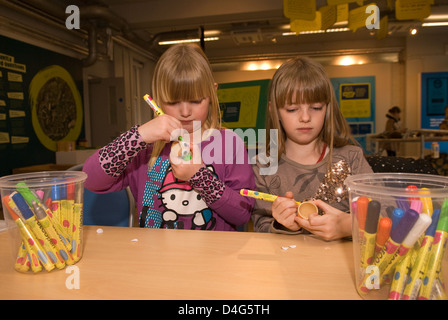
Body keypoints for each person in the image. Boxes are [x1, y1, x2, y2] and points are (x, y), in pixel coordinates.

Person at [83, 43, 255, 231]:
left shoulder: (228, 143)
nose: (185, 111)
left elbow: (242, 213)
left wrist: (200, 177)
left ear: (213, 92)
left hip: (213, 257)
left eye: (196, 100)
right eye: (173, 102)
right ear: (158, 99)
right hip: (155, 257)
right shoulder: (145, 146)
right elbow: (90, 179)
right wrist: (139, 136)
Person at [251, 56, 373, 241]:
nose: (305, 117)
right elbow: (260, 228)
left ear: (328, 108)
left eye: (316, 107)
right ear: (273, 110)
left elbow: (382, 214)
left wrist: (346, 226)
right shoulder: (263, 167)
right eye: (292, 109)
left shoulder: (352, 158)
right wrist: (283, 225)